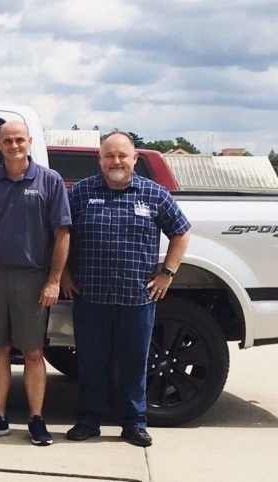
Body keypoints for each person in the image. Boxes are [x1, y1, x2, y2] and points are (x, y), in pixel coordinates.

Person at [61, 132, 190, 447]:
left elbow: (181, 232)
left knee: (134, 365)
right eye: (109, 156)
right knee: (91, 363)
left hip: (137, 299)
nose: (115, 161)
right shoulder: (79, 193)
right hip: (90, 297)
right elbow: (60, 234)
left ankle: (134, 423)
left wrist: (167, 274)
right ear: (100, 160)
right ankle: (88, 420)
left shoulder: (155, 194)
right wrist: (62, 273)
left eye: (122, 155)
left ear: (134, 158)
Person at [0, 120, 71, 446]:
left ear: (30, 142)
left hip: (33, 277)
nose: (13, 146)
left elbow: (62, 235)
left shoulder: (50, 182)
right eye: (7, 141)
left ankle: (36, 420)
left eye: (19, 140)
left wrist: (53, 280)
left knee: (34, 352)